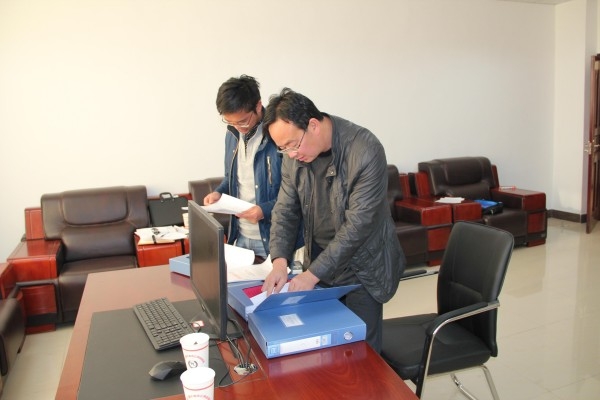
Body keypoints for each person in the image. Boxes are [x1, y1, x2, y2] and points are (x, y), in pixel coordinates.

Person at [261, 88, 405, 353]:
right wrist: (279, 261)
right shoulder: (294, 157)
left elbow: (358, 225)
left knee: (362, 353)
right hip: (320, 264)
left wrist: (313, 274)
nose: (290, 154)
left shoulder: (365, 150)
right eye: (283, 148)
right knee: (324, 348)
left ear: (313, 126)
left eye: (292, 144)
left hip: (362, 268)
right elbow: (285, 210)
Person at [204, 75, 283, 259]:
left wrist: (265, 210)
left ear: (258, 106)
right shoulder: (232, 134)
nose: (238, 127)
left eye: (243, 121)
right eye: (230, 122)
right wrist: (219, 192)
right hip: (240, 236)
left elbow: (295, 191)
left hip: (274, 239)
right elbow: (231, 178)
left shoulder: (278, 135)